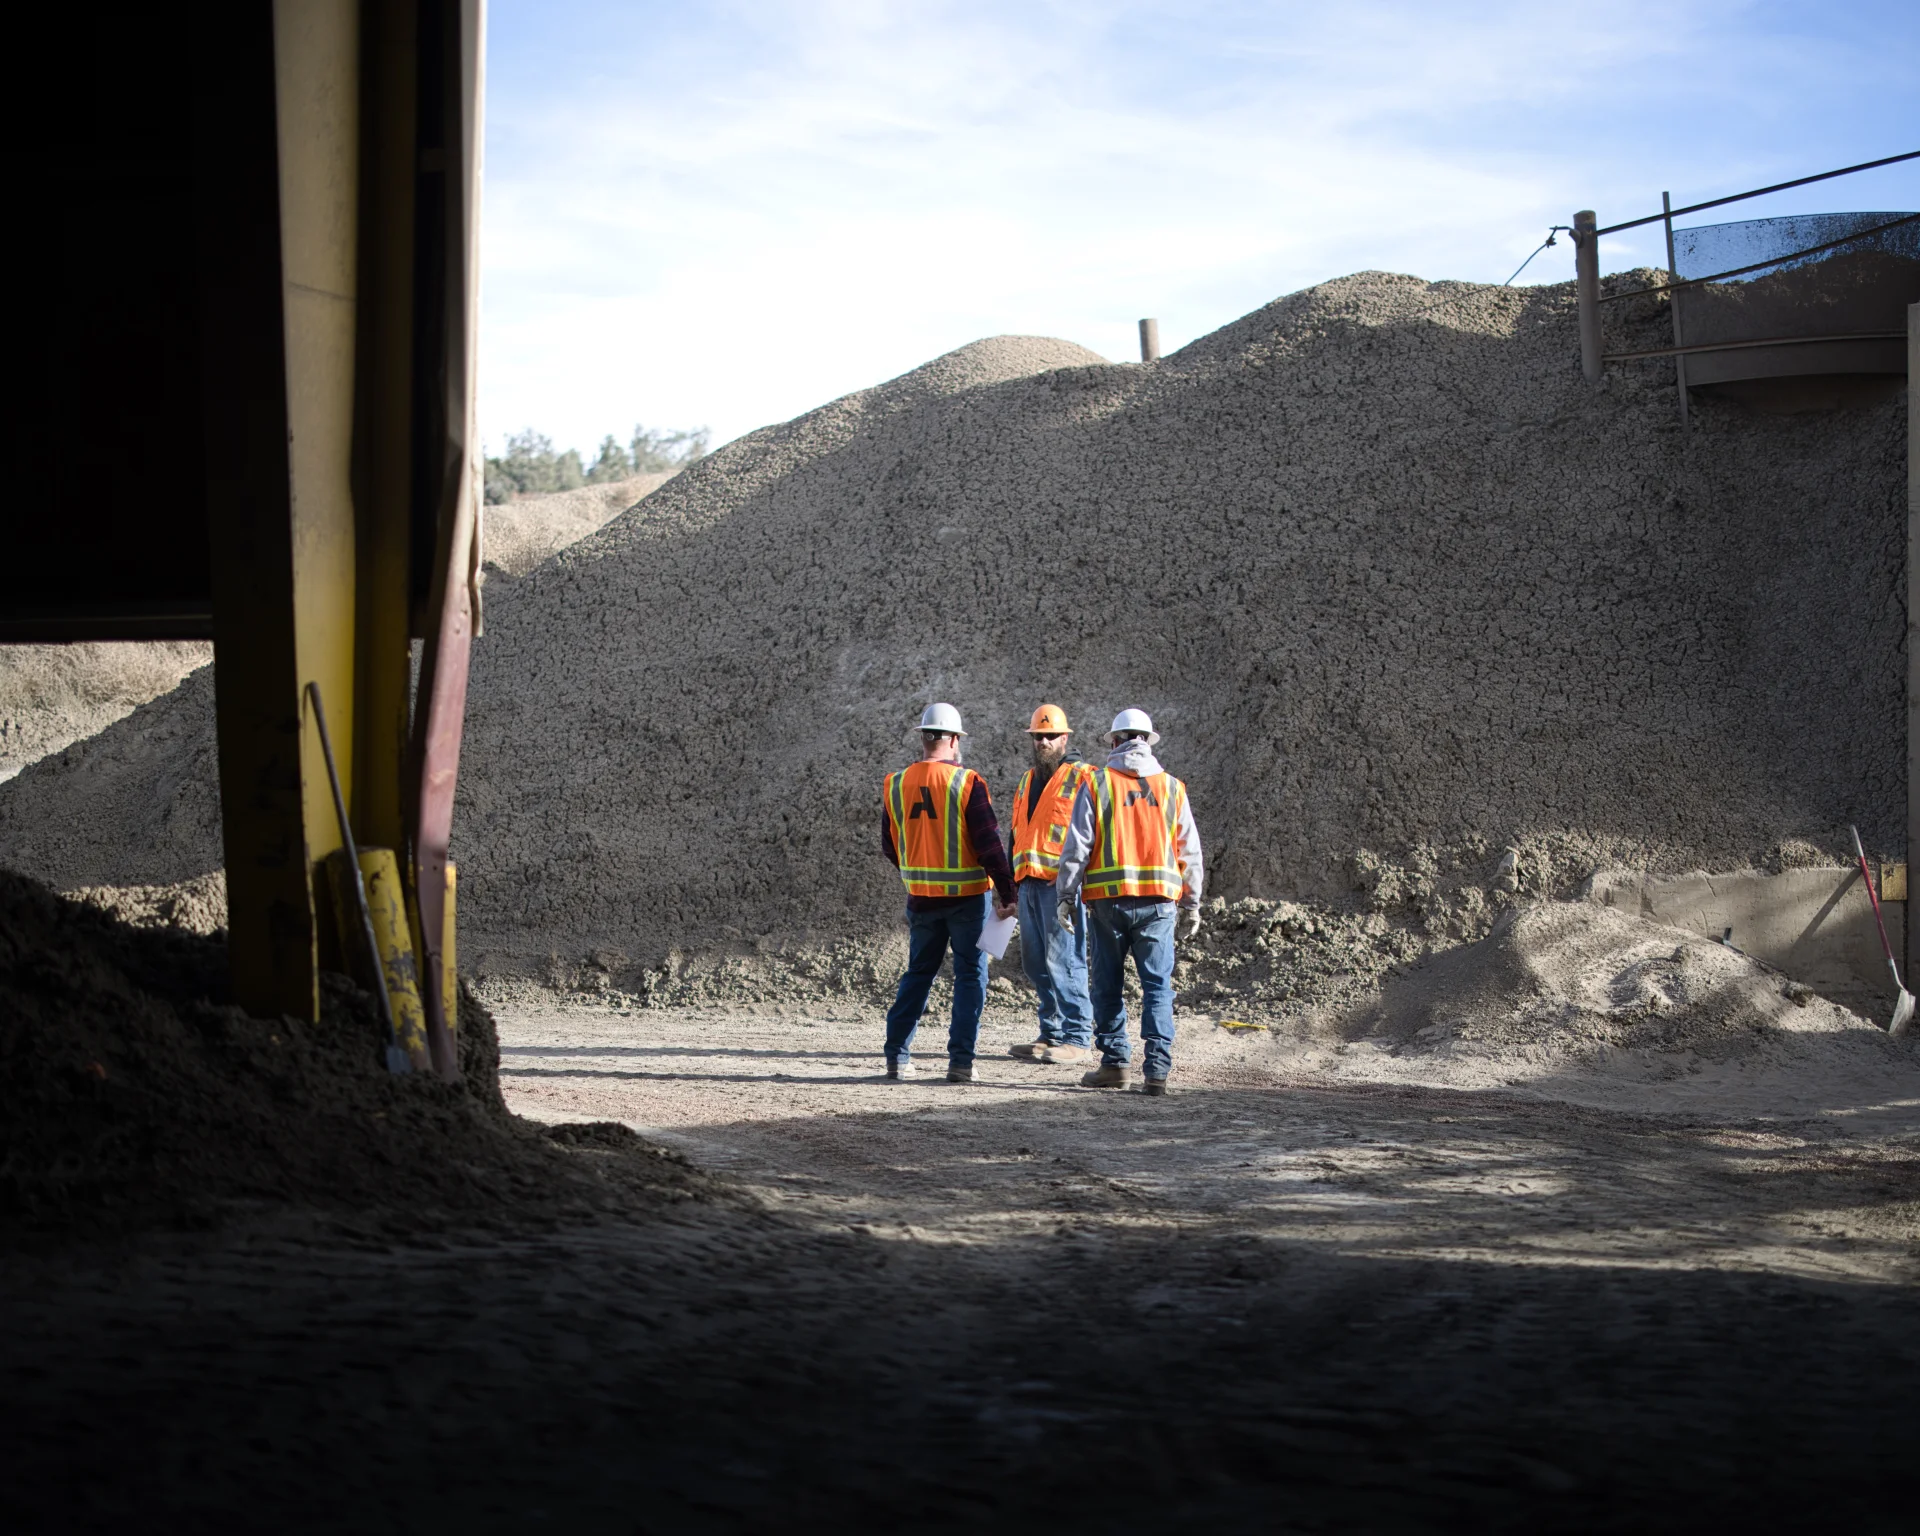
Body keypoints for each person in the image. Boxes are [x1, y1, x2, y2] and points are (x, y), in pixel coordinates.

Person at [1052, 708, 1203, 1096]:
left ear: (1116, 741)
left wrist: (1066, 895)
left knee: (1107, 985)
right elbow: (1189, 850)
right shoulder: (1171, 787)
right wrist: (1192, 902)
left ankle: (1115, 1065)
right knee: (1157, 987)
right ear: (1148, 742)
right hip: (1159, 904)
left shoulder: (1098, 783)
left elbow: (1077, 847)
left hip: (1108, 904)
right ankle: (1157, 1073)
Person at [880, 703, 1016, 1084]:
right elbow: (989, 844)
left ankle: (897, 1057)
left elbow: (890, 845)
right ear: (954, 740)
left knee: (918, 973)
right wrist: (1007, 891)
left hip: (921, 899)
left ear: (924, 738)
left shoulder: (896, 783)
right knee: (970, 975)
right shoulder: (966, 782)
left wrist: (918, 871)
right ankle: (960, 1063)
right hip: (967, 899)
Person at [1005, 705, 1096, 1063]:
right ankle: (1052, 1033)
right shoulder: (1027, 780)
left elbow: (1094, 834)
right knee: (1035, 963)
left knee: (1065, 961)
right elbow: (1016, 834)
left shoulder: (1084, 776)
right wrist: (1009, 887)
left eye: (1050, 736)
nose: (1043, 742)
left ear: (1065, 738)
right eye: (1038, 736)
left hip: (1061, 888)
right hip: (1028, 884)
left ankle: (1078, 1037)